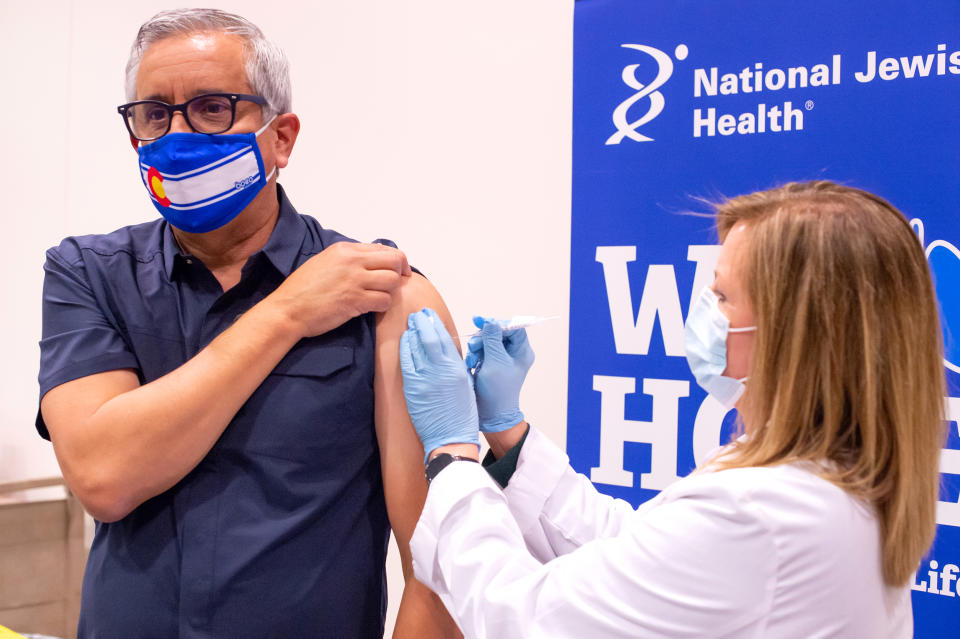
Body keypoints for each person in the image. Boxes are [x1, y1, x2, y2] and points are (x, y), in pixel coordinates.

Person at [37, 9, 460, 638]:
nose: (177, 135)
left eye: (212, 108)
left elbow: (437, 568)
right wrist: (286, 314)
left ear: (281, 137)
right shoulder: (88, 274)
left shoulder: (383, 296)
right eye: (154, 114)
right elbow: (104, 476)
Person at [398, 181, 946, 638]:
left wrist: (452, 455)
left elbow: (526, 617)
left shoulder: (761, 515)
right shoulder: (836, 477)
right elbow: (639, 557)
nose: (704, 309)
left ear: (796, 335)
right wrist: (508, 434)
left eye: (724, 297)